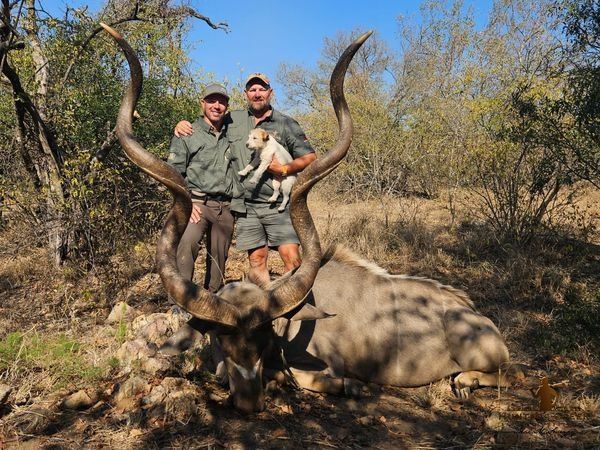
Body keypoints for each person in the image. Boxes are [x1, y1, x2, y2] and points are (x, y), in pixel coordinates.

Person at [175, 73, 317, 286]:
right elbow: (208, 123)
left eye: (262, 89)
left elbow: (310, 157)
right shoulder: (233, 119)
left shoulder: (285, 123)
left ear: (270, 92)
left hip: (278, 205)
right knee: (257, 260)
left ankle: (296, 304)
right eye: (252, 90)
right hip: (245, 207)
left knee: (291, 258)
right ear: (246, 94)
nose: (257, 94)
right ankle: (265, 305)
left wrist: (285, 168)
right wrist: (182, 124)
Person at [167, 83, 244, 293]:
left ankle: (213, 298)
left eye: (221, 102)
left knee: (219, 257)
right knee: (186, 247)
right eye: (211, 101)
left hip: (225, 207)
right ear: (202, 103)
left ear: (227, 106)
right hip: (196, 204)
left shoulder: (233, 132)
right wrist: (185, 203)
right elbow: (173, 174)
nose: (216, 106)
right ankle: (180, 300)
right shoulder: (188, 132)